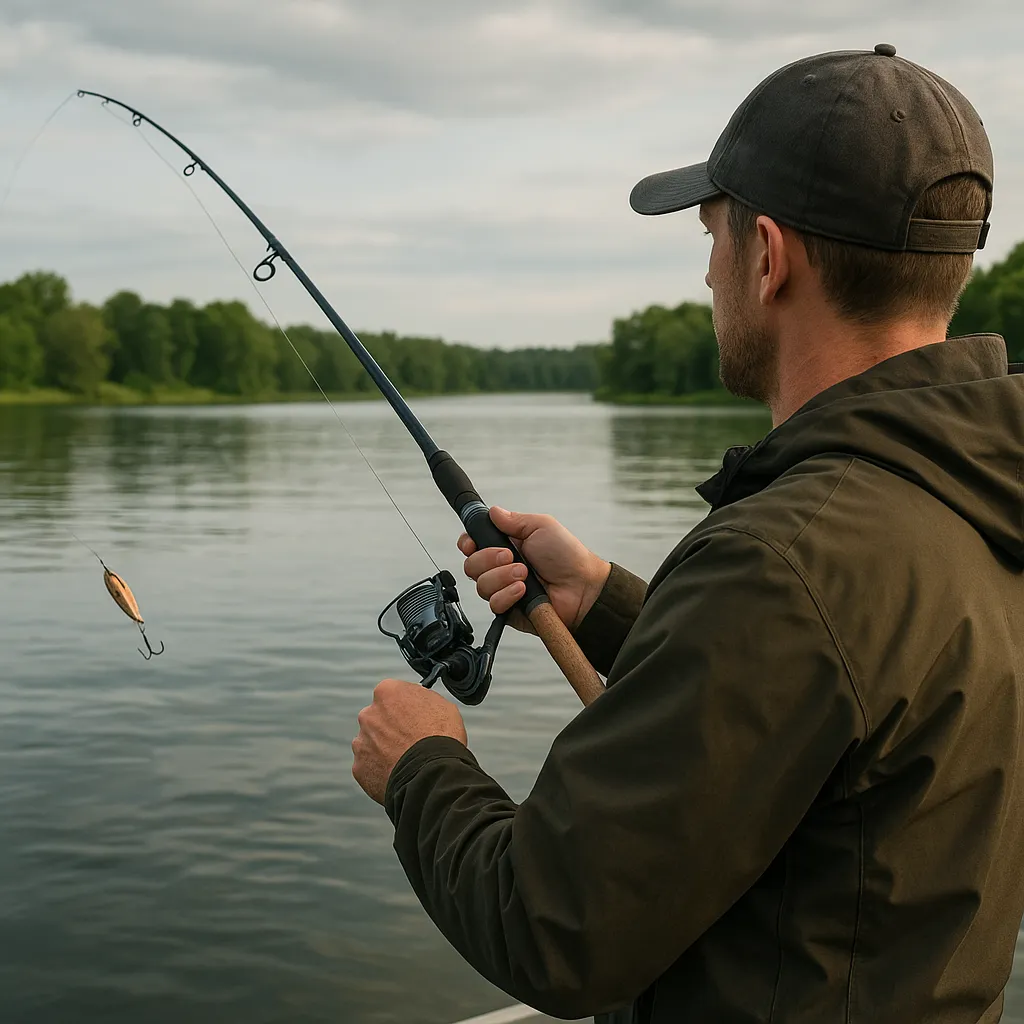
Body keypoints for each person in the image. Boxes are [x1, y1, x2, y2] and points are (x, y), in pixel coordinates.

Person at [352, 44, 1024, 1023]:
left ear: (765, 255)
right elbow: (842, 711)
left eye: (710, 235)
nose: (708, 274)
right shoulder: (976, 496)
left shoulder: (787, 559)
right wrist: (610, 604)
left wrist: (422, 766)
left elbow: (550, 926)